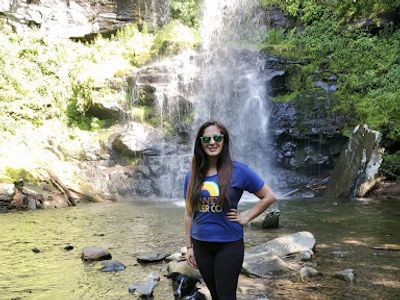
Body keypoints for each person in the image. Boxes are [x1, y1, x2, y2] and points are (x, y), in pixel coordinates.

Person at [183, 120, 276, 300]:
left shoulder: (239, 170)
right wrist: (189, 247)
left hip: (228, 244)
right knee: (215, 295)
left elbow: (269, 196)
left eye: (217, 137)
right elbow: (188, 212)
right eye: (206, 139)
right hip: (201, 245)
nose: (212, 142)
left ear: (224, 140)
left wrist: (246, 216)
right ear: (200, 143)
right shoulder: (193, 175)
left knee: (226, 295)